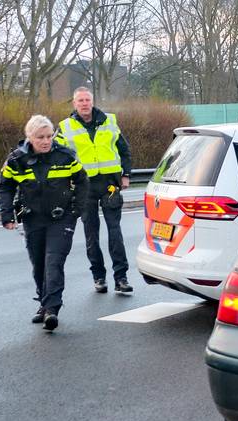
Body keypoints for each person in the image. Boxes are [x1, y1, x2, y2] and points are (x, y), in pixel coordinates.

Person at [0, 115, 88, 331]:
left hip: (61, 218)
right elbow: (5, 186)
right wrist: (7, 214)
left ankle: (52, 309)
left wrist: (77, 210)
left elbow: (82, 181)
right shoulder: (16, 159)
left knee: (53, 261)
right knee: (39, 264)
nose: (46, 141)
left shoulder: (65, 156)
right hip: (33, 218)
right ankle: (43, 303)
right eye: (40, 137)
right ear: (29, 137)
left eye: (49, 136)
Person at [56, 87, 134, 294]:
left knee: (114, 231)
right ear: (74, 103)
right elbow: (58, 157)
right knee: (91, 234)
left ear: (92, 101)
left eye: (87, 100)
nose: (84, 103)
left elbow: (124, 150)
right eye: (80, 100)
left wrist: (126, 175)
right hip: (84, 187)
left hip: (109, 183)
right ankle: (98, 277)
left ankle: (121, 278)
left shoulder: (109, 121)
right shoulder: (65, 127)